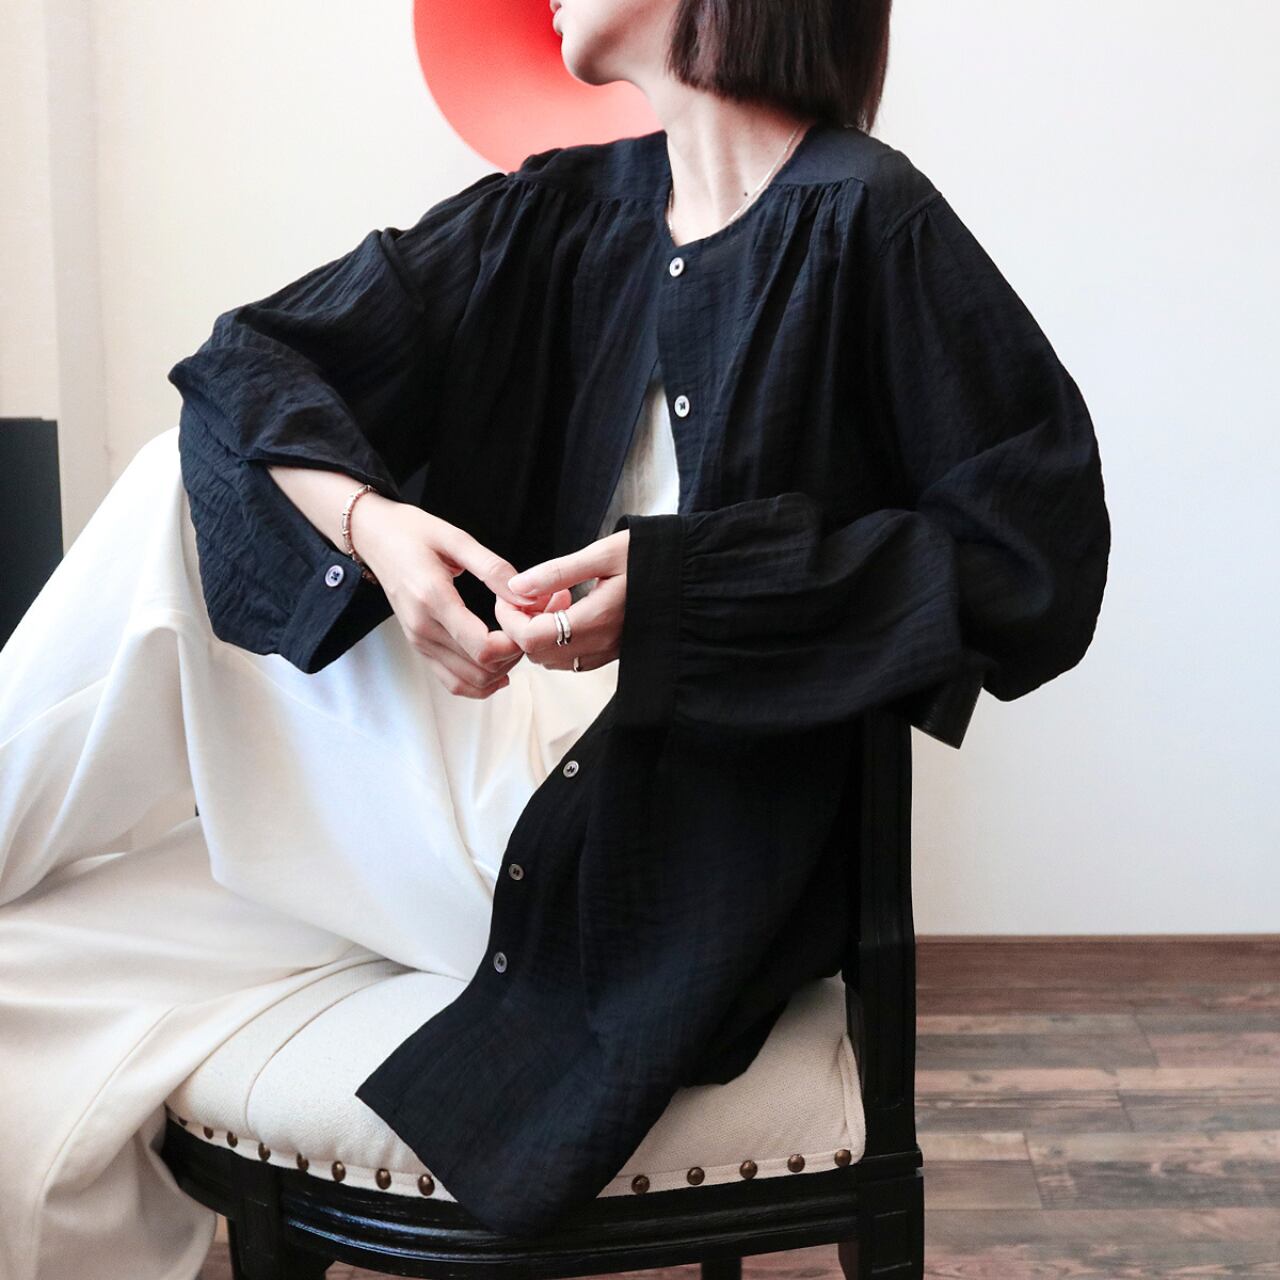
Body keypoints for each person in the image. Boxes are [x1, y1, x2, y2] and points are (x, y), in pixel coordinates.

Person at [0, 0, 1111, 1269]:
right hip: (454, 805)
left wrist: (690, 592)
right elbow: (248, 358)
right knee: (24, 973)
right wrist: (373, 527)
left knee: (164, 493)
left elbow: (1034, 559)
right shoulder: (555, 211)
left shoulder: (869, 219)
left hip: (649, 863)